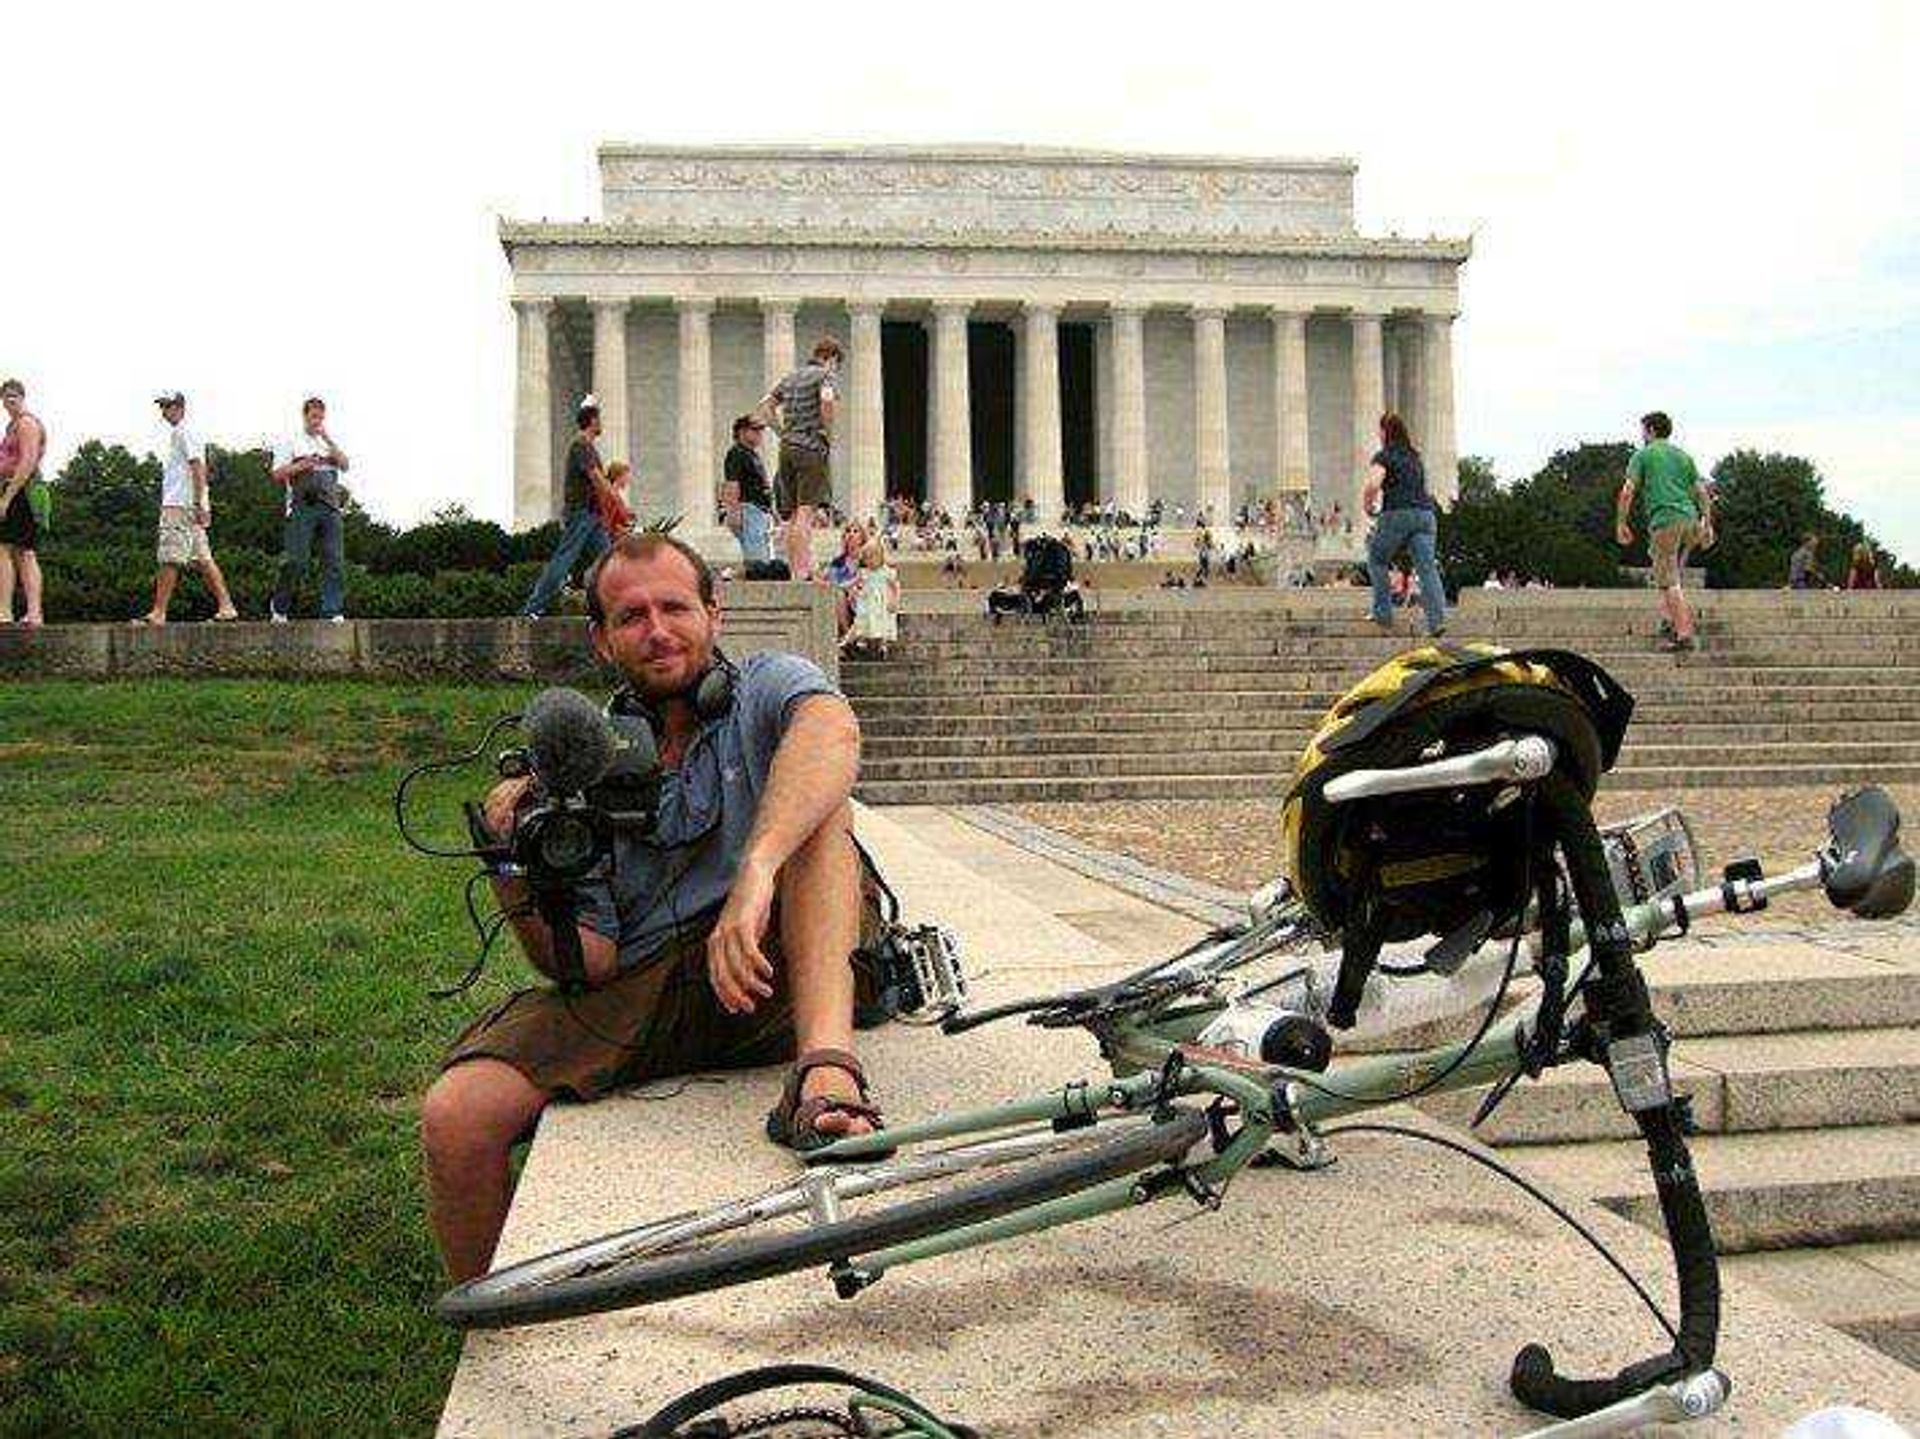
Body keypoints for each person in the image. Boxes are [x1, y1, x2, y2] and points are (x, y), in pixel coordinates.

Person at [421, 531, 880, 1283]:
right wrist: (513, 862)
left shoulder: (766, 685)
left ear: (714, 614)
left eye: (675, 607)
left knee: (823, 812)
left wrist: (757, 869)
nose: (658, 630)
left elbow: (833, 730)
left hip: (778, 966)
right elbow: (590, 959)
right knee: (457, 1113)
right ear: (602, 642)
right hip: (651, 989)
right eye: (631, 616)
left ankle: (827, 1074)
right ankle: (492, 1319)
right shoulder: (585, 763)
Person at [137, 393, 239, 625]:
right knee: (203, 558)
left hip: (180, 504)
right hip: (189, 504)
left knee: (170, 557)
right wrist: (202, 504)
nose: (164, 412)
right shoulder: (183, 432)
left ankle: (159, 612)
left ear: (180, 407)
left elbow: (197, 466)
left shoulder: (184, 432)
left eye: (168, 406)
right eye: (162, 407)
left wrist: (198, 502)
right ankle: (227, 606)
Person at [1617, 411, 1714, 652]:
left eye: (1643, 430)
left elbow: (1628, 490)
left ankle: (1683, 634)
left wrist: (1621, 522)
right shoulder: (1683, 456)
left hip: (1665, 519)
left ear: (1650, 430)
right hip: (1690, 518)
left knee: (1667, 579)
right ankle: (1669, 619)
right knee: (1667, 571)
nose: (1642, 435)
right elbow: (1702, 492)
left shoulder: (1643, 455)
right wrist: (1708, 524)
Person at [756, 337, 842, 581]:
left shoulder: (790, 378)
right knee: (806, 513)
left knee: (793, 515)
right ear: (831, 358)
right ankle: (803, 571)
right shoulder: (824, 376)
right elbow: (826, 401)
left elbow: (764, 406)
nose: (835, 369)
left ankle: (795, 569)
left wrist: (781, 431)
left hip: (787, 447)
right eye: (836, 364)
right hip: (811, 446)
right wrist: (827, 432)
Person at [522, 399, 616, 619]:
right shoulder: (580, 445)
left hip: (593, 516)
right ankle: (533, 609)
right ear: (592, 421)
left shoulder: (588, 446)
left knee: (608, 561)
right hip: (581, 513)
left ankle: (608, 608)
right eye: (599, 420)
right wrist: (618, 503)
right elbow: (596, 478)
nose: (602, 424)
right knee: (563, 560)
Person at [1362, 412, 1448, 637]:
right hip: (1426, 515)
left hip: (1398, 513)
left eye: (1380, 430)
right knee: (1427, 568)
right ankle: (1437, 620)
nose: (1378, 435)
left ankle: (1382, 614)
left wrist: (1367, 505)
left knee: (1377, 560)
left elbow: (1373, 484)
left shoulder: (1384, 456)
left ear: (1385, 432)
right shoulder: (1414, 457)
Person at [269, 397, 352, 623]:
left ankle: (332, 610)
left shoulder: (328, 442)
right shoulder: (290, 440)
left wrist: (328, 440)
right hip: (302, 506)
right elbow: (276, 474)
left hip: (330, 507)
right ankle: (279, 606)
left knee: (333, 559)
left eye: (320, 417)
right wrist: (302, 465)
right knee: (297, 560)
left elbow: (345, 465)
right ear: (304, 415)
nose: (317, 421)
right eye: (313, 416)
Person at [0, 378, 47, 625]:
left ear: (22, 396)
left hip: (23, 490)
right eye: (6, 396)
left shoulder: (27, 423)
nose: (9, 400)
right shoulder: (12, 425)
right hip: (14, 489)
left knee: (10, 550)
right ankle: (31, 612)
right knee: (19, 551)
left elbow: (27, 462)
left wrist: (7, 497)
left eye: (14, 396)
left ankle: (8, 611)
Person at [721, 414, 775, 566]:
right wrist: (733, 512)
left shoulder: (751, 454)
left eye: (761, 431)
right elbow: (732, 484)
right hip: (749, 510)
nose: (760, 434)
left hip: (760, 511)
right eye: (755, 430)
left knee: (763, 555)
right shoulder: (736, 453)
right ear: (742, 432)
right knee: (756, 558)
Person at [844, 538, 900, 657]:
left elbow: (895, 586)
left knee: (883, 622)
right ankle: (861, 640)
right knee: (863, 619)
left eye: (872, 557)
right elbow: (855, 583)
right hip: (867, 601)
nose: (870, 561)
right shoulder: (864, 572)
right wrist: (850, 591)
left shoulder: (887, 572)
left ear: (880, 557)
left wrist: (894, 600)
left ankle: (882, 645)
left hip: (881, 601)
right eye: (867, 558)